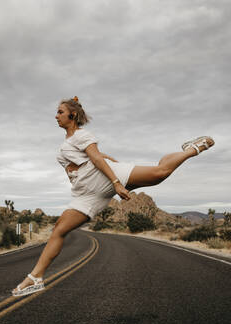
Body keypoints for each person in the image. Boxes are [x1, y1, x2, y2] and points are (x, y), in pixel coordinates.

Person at [12, 96, 214, 297]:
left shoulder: (82, 135)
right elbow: (96, 156)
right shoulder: (68, 143)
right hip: (86, 193)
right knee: (59, 230)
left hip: (104, 178)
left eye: (60, 112)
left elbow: (97, 157)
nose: (56, 116)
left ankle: (192, 150)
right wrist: (105, 166)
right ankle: (35, 277)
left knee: (159, 174)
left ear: (72, 115)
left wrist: (117, 181)